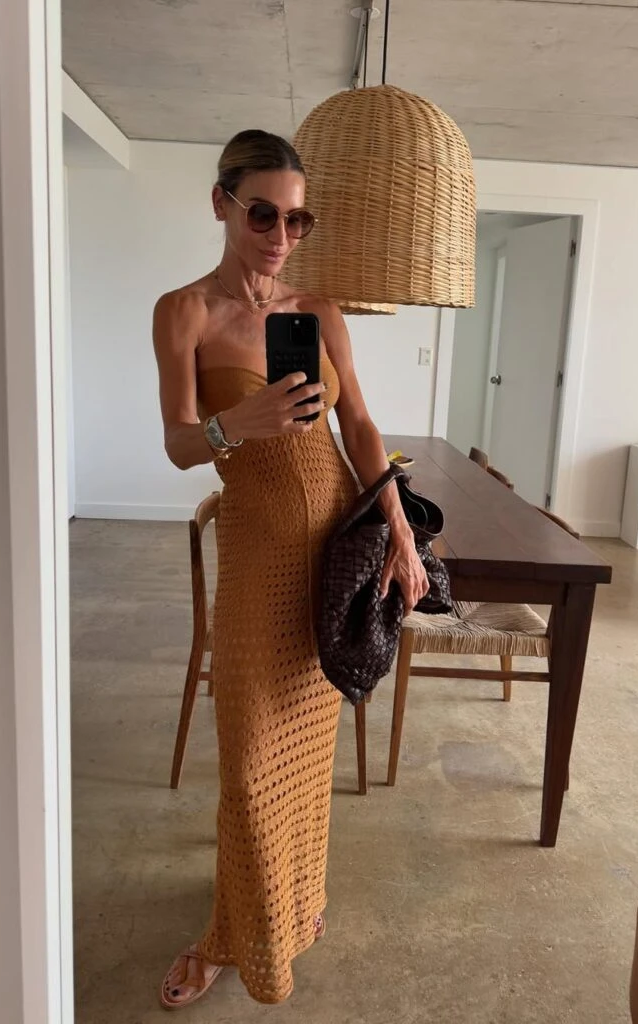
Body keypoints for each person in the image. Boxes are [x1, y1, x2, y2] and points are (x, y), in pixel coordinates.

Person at [153, 129, 429, 1009]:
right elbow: (178, 444)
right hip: (257, 552)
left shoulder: (320, 311)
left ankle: (287, 905)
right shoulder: (184, 312)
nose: (280, 236)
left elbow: (360, 427)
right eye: (263, 214)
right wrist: (240, 424)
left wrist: (398, 529)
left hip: (335, 551)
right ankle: (227, 937)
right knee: (247, 764)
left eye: (297, 220)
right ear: (221, 203)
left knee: (305, 753)